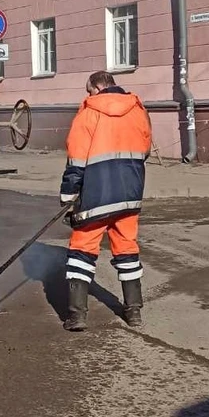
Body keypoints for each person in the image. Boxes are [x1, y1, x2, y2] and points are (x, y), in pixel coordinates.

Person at [59, 71, 152, 330]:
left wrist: (68, 194)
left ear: (98, 87)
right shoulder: (138, 110)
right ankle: (134, 312)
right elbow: (143, 149)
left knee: (81, 250)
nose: (87, 96)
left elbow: (76, 160)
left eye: (89, 91)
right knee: (126, 248)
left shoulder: (88, 113)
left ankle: (77, 316)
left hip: (96, 196)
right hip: (130, 193)